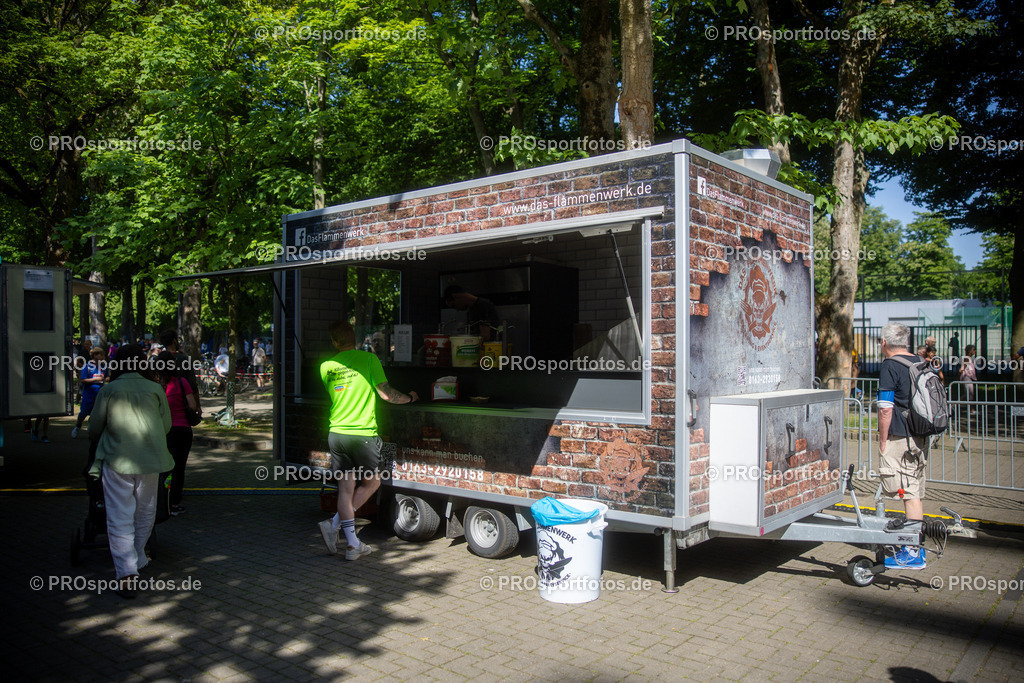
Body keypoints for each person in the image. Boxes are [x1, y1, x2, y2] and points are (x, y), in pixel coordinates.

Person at [318, 320, 418, 560]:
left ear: (334, 342)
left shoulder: (325, 366)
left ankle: (343, 534)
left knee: (344, 489)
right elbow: (387, 394)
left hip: (337, 434)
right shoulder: (369, 360)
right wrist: (411, 398)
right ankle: (343, 535)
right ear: (355, 338)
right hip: (363, 434)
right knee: (374, 482)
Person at [88, 345, 174, 597]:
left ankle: (127, 573)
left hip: (116, 459)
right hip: (151, 458)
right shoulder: (155, 389)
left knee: (118, 515)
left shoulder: (109, 390)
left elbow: (94, 428)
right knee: (146, 510)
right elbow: (166, 425)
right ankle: (136, 559)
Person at [876, 322, 929, 570]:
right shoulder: (918, 361)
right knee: (914, 490)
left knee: (907, 492)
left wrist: (882, 438)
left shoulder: (890, 366)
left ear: (884, 343)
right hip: (920, 436)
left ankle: (913, 552)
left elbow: (885, 408)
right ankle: (915, 544)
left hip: (901, 436)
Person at [156, 350, 197, 516]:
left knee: (163, 468)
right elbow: (193, 406)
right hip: (183, 430)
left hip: (163, 431)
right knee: (179, 468)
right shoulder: (182, 383)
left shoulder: (156, 385)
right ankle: (174, 503)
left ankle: (160, 499)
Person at [159, 329, 202, 414]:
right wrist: (197, 405)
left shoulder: (158, 359)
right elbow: (192, 384)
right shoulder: (184, 359)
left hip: (162, 403)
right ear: (174, 341)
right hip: (182, 403)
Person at [72, 347, 108, 438]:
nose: (103, 357)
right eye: (101, 354)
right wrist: (95, 379)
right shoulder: (87, 366)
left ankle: (93, 429)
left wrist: (106, 379)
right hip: (89, 393)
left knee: (98, 413)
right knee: (83, 413)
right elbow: (83, 380)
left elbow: (107, 377)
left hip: (100, 393)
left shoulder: (103, 366)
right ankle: (77, 427)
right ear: (95, 355)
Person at [959, 344, 978, 414]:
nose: (975, 351)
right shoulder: (967, 359)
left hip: (969, 378)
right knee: (969, 394)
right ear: (969, 351)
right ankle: (971, 409)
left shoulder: (969, 358)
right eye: (973, 349)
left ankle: (954, 405)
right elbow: (961, 369)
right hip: (967, 378)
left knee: (968, 394)